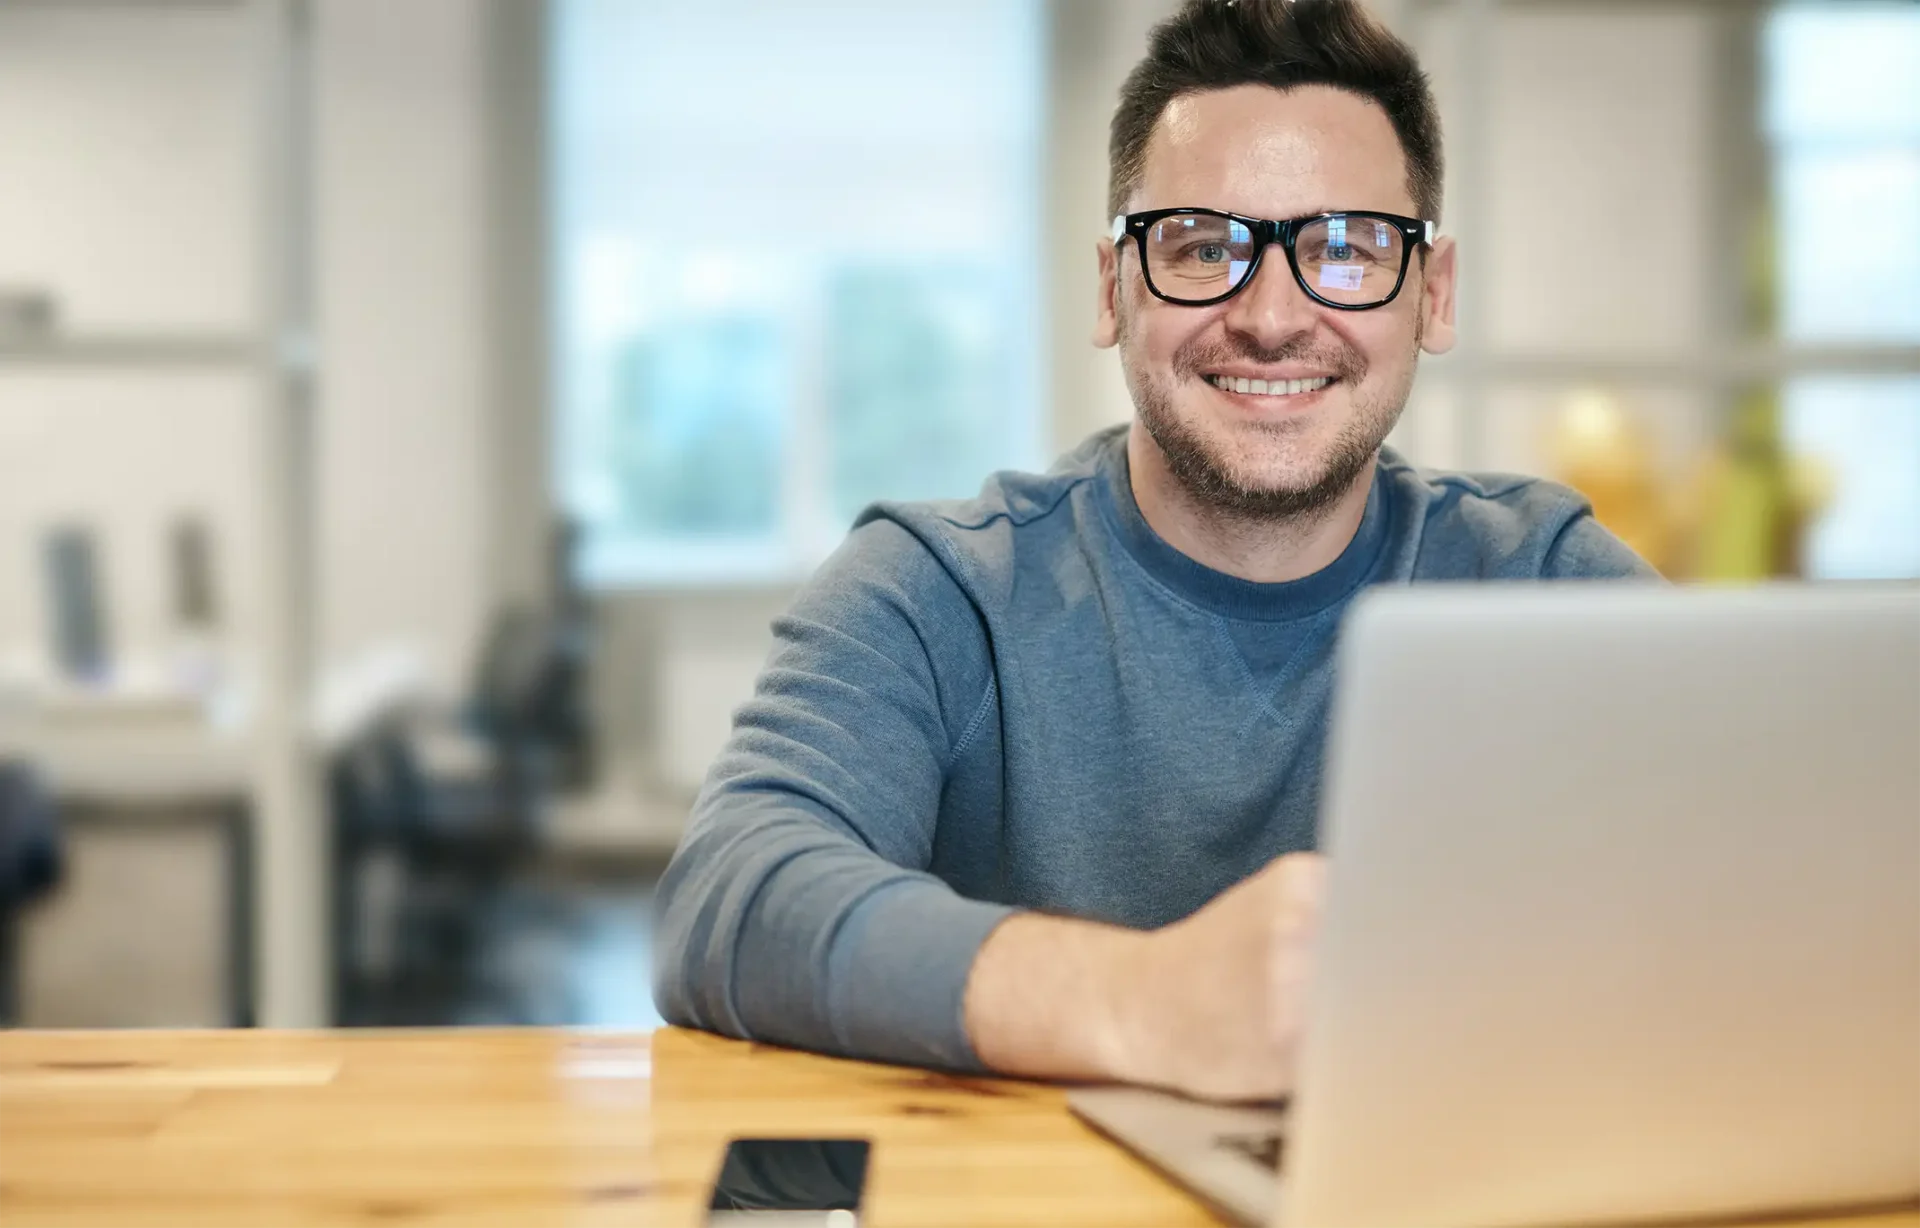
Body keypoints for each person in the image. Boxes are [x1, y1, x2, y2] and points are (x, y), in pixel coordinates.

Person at [653, 0, 1655, 1104]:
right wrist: (1144, 999)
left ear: (1434, 292)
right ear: (1112, 286)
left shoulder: (1543, 581)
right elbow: (732, 898)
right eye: (1200, 246)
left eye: (1345, 248)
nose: (1273, 315)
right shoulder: (940, 589)